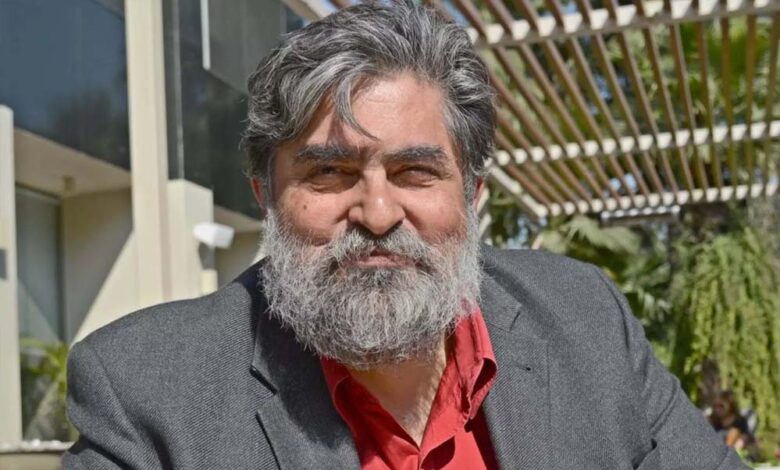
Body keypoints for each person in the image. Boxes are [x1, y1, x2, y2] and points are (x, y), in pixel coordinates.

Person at [63, 2, 746, 469]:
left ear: (472, 195)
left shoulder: (585, 319)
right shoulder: (145, 391)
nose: (378, 212)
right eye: (329, 173)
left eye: (415, 171)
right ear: (266, 198)